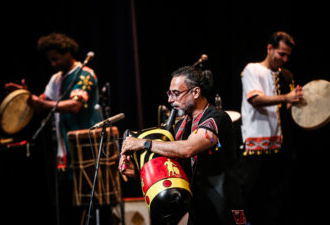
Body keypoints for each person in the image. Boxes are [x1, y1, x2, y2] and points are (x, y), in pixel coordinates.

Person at [119, 65, 245, 225]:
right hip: (197, 209)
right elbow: (169, 166)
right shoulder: (180, 126)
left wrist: (143, 143)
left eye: (176, 94)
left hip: (222, 209)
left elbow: (188, 149)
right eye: (169, 93)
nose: (170, 100)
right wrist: (138, 170)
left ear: (196, 92)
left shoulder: (217, 118)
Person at [5, 32, 103, 225]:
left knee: (88, 210)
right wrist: (25, 96)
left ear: (67, 52)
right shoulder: (56, 79)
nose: (53, 64)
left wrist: (40, 103)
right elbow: (42, 103)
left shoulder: (84, 74)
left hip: (86, 155)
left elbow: (75, 105)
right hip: (63, 157)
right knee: (66, 213)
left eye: (56, 59)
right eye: (50, 60)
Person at [240, 31, 303, 225]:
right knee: (250, 193)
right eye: (281, 53)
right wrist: (287, 97)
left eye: (287, 55)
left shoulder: (284, 75)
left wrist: (296, 101)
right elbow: (255, 99)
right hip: (255, 143)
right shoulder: (252, 69)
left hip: (279, 144)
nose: (284, 59)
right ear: (269, 48)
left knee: (274, 197)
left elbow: (287, 106)